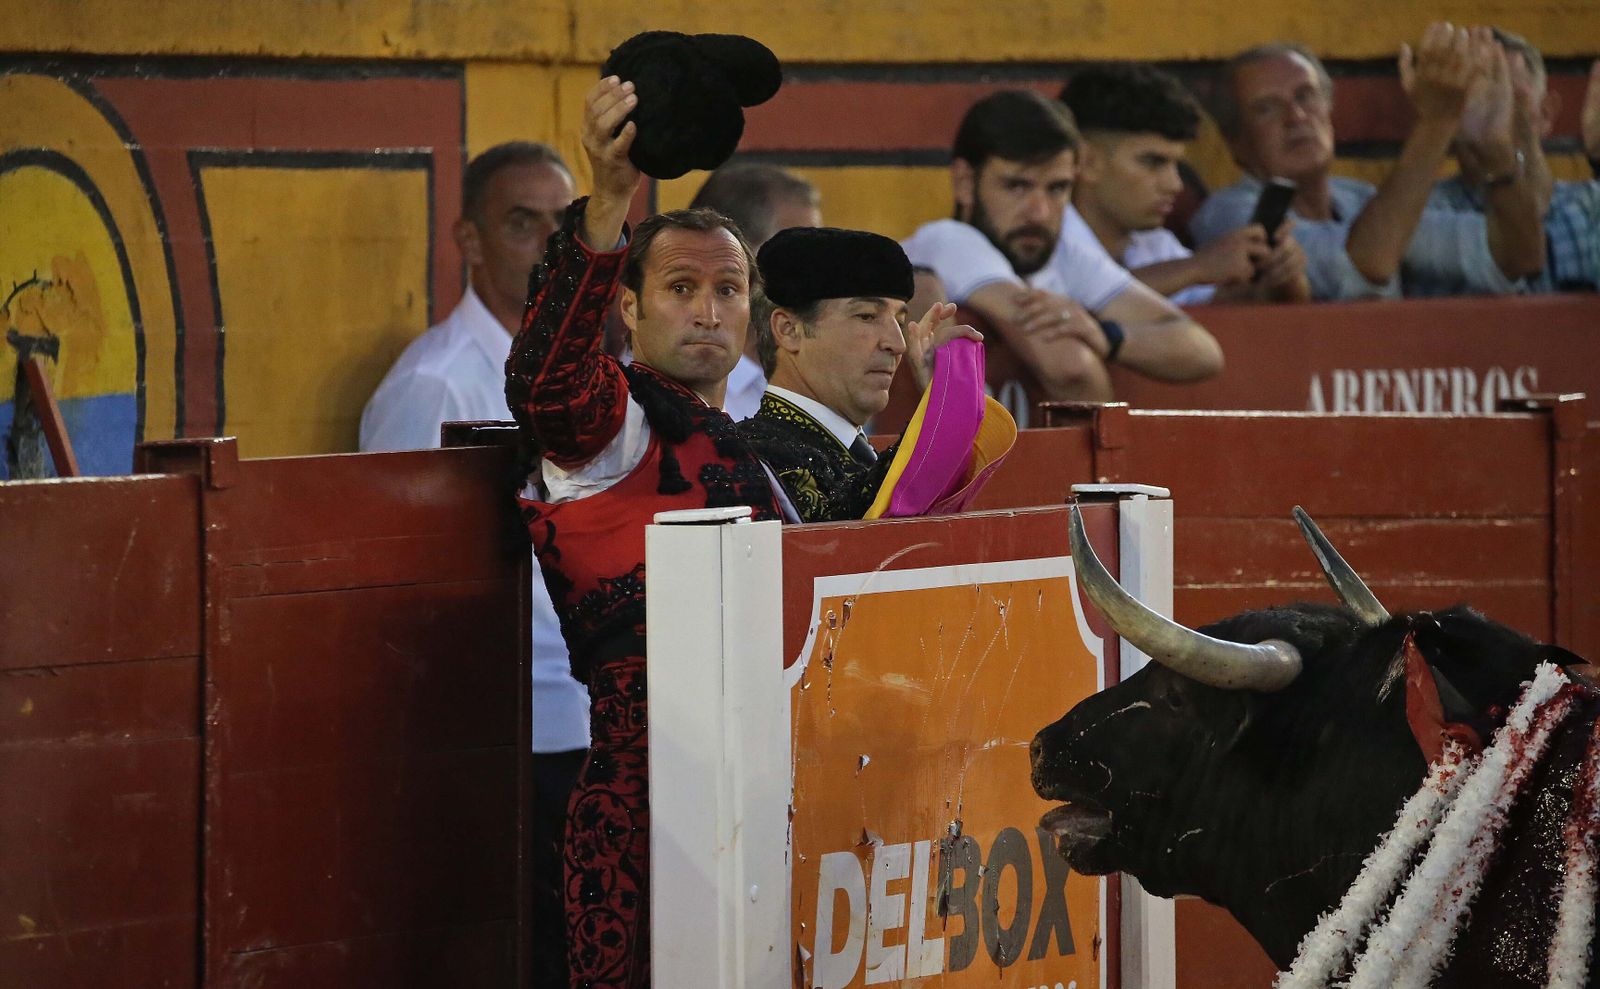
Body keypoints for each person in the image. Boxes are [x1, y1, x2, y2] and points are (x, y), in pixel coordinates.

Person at [506, 75, 791, 989]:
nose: (708, 311)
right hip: (648, 798)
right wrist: (607, 198)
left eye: (727, 288)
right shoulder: (613, 421)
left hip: (779, 781)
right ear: (629, 307)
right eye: (680, 287)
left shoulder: (751, 434)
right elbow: (547, 382)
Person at [356, 141, 583, 989]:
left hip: (592, 715)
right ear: (469, 237)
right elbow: (404, 581)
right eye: (521, 223)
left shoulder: (584, 371)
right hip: (510, 733)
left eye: (562, 225)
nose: (545, 245)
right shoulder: (440, 384)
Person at [902, 89, 1223, 404]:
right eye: (1017, 186)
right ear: (965, 183)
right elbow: (1070, 368)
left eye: (1057, 188)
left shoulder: (1063, 254)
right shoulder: (948, 241)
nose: (1040, 212)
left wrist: (1107, 337)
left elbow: (1203, 351)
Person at [1190, 24, 1546, 300]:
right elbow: (1366, 264)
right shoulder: (1228, 214)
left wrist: (1495, 151)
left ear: (1330, 110)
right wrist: (1438, 122)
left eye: (1306, 96)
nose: (1296, 116)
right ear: (1234, 141)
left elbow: (1519, 258)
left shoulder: (1359, 198)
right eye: (1266, 108)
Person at [738, 226, 987, 521]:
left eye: (899, 319)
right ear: (789, 330)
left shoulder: (857, 454)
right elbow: (864, 528)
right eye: (867, 316)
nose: (897, 344)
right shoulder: (755, 458)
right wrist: (945, 408)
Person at [1060, 63, 1311, 305]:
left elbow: (1231, 310)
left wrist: (1282, 279)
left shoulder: (1156, 246)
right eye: (1153, 162)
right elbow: (1070, 306)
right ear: (1086, 162)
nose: (1175, 185)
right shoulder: (1042, 237)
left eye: (1175, 165)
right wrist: (1197, 267)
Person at [1430, 34, 1600, 293]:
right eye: (1467, 98)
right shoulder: (1430, 212)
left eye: (1504, 94)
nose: (1485, 114)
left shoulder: (1589, 204)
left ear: (1546, 113)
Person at [687, 162, 823, 419]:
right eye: (798, 251)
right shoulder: (658, 388)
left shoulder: (815, 374)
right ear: (733, 251)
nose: (815, 271)